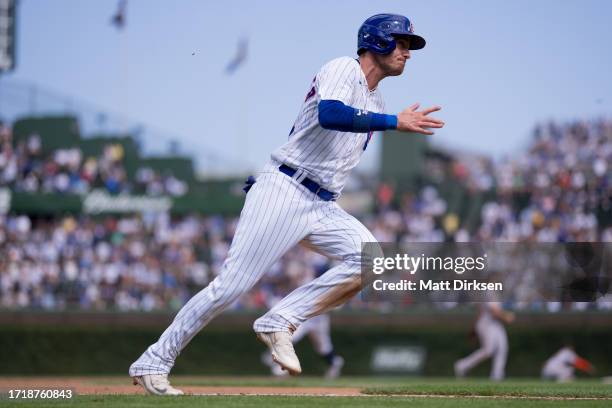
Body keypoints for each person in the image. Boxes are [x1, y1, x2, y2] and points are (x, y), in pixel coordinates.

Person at [129, 13, 444, 395]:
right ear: (375, 40)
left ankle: (279, 320)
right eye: (401, 42)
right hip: (286, 189)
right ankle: (154, 360)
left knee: (370, 259)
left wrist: (387, 118)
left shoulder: (376, 97)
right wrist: (393, 122)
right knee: (229, 287)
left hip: (322, 203)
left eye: (409, 46)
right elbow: (330, 115)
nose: (407, 52)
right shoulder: (343, 68)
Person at [454, 302, 514, 381]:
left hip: (495, 324)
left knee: (502, 348)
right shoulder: (490, 291)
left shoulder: (497, 293)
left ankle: (497, 375)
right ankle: (462, 365)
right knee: (488, 350)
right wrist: (506, 317)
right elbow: (494, 312)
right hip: (487, 324)